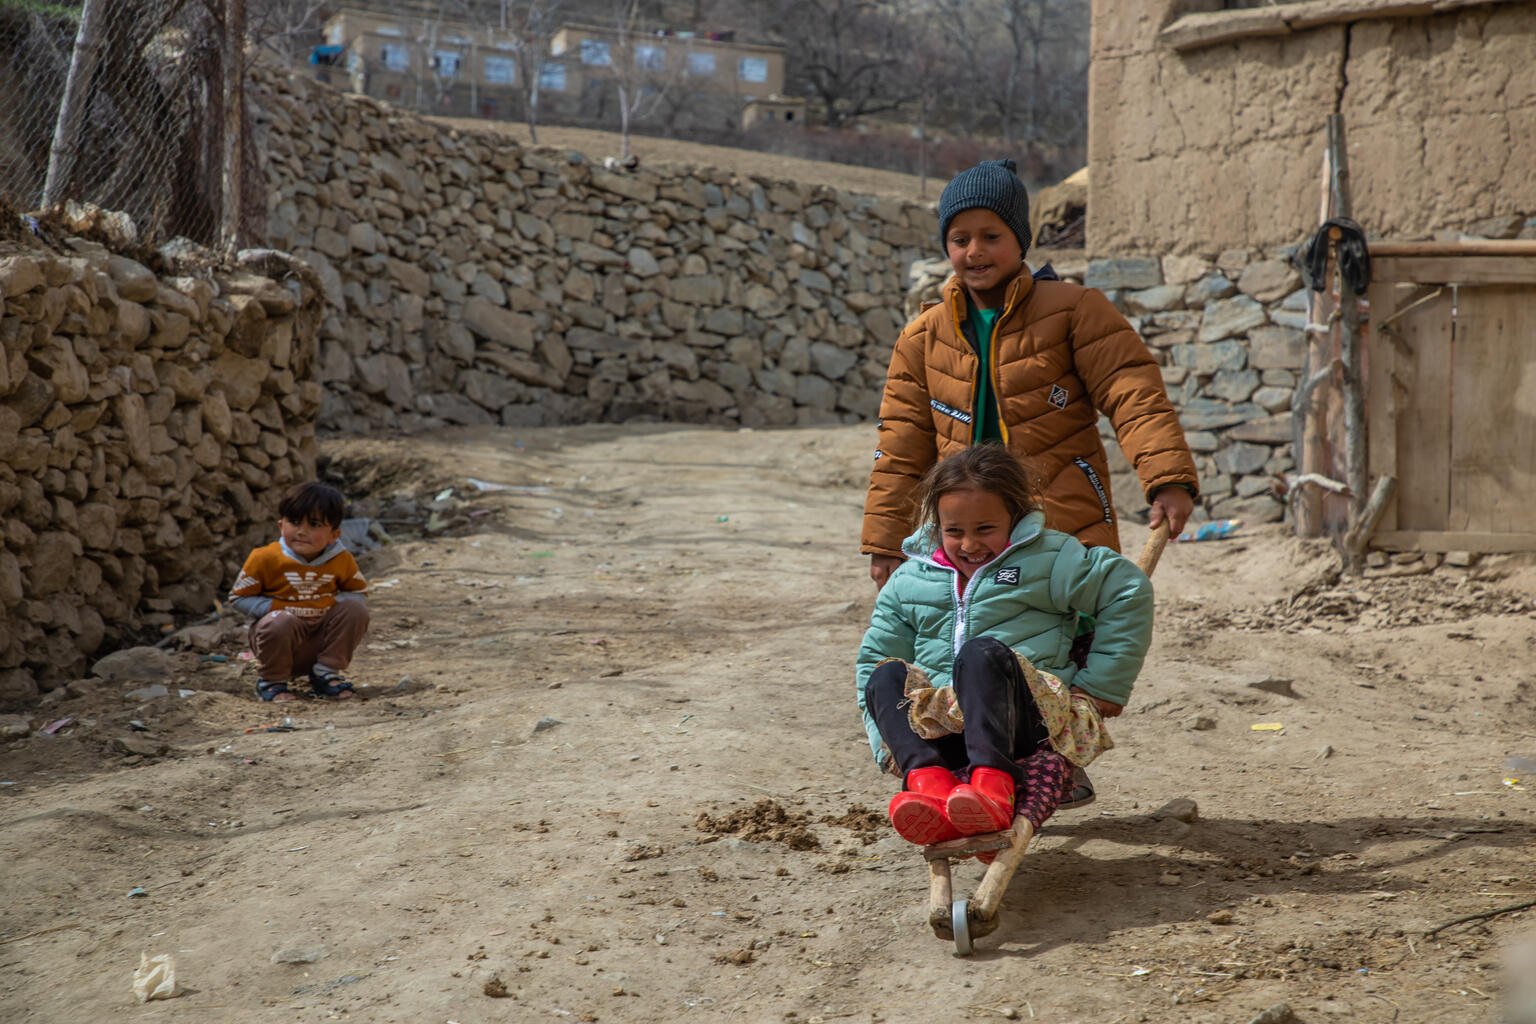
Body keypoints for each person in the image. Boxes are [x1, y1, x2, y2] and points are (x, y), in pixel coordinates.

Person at [862, 157, 1198, 591]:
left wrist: (1168, 478)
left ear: (1021, 240)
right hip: (966, 536)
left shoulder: (1075, 310)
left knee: (1066, 645)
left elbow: (1134, 394)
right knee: (972, 647)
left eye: (991, 236)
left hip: (1062, 524)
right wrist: (886, 541)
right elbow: (900, 447)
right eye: (959, 239)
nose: (975, 251)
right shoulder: (922, 337)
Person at [855, 446, 1152, 849]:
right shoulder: (910, 580)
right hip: (948, 732)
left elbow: (1127, 590)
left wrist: (1102, 685)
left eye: (985, 529)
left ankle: (994, 790)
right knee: (884, 674)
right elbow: (874, 658)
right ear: (937, 524)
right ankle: (931, 786)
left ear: (1015, 516)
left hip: (1024, 724)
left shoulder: (1049, 558)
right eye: (954, 531)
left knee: (980, 655)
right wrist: (887, 743)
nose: (970, 544)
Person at [229, 481, 370, 702]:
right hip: (278, 643)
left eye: (314, 524)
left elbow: (358, 594)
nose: (302, 531)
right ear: (280, 525)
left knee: (355, 610)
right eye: (294, 522)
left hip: (321, 645)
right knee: (280, 621)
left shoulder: (342, 560)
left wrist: (324, 605)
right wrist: (278, 608)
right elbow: (238, 598)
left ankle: (325, 675)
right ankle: (272, 682)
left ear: (334, 535)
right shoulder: (264, 558)